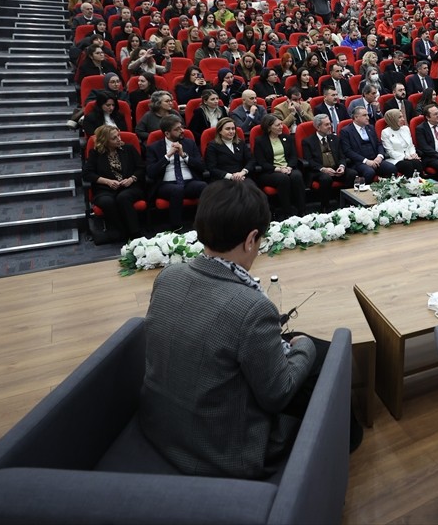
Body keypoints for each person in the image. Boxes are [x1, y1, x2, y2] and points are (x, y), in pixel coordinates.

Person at [140, 181, 333, 480]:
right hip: (220, 453)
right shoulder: (252, 307)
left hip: (158, 427)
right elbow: (277, 394)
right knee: (323, 356)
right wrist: (304, 346)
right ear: (251, 238)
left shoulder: (168, 276)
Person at [83, 124, 145, 240]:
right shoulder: (95, 153)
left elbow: (141, 168)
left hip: (130, 186)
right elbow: (87, 174)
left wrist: (131, 178)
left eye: (118, 136)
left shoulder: (129, 149)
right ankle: (123, 232)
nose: (119, 139)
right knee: (107, 201)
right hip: (105, 189)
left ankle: (136, 233)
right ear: (105, 141)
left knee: (123, 197)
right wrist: (107, 181)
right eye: (114, 138)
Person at [146, 114, 207, 230]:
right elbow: (151, 172)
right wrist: (168, 155)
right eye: (177, 129)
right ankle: (176, 227)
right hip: (166, 184)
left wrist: (184, 155)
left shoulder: (190, 143)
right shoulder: (154, 148)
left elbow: (201, 166)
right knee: (176, 189)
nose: (182, 131)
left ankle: (203, 223)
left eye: (181, 127)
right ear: (167, 133)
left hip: (189, 182)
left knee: (203, 186)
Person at [252, 114, 306, 219]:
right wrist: (278, 169)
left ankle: (302, 211)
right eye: (278, 125)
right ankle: (287, 213)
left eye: (281, 124)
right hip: (269, 171)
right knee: (283, 179)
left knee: (297, 176)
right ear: (269, 127)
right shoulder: (260, 141)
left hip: (287, 168)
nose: (281, 127)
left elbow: (293, 156)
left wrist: (289, 167)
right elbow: (261, 162)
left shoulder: (287, 137)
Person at [302, 113, 357, 210]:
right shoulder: (308, 141)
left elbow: (341, 156)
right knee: (326, 179)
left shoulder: (335, 138)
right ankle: (325, 207)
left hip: (336, 168)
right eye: (326, 125)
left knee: (352, 173)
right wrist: (323, 169)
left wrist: (342, 166)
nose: (330, 126)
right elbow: (309, 161)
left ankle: (345, 203)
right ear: (318, 127)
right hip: (319, 171)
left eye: (330, 124)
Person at [204, 116, 256, 184]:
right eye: (227, 129)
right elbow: (212, 168)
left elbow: (251, 160)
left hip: (242, 176)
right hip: (222, 179)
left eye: (233, 129)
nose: (231, 131)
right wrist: (231, 176)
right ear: (220, 131)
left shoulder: (240, 143)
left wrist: (243, 172)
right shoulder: (212, 145)